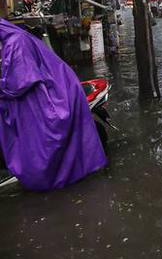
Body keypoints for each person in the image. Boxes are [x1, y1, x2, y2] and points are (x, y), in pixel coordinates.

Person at [0, 20, 107, 191]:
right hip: (52, 84)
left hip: (51, 91)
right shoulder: (13, 39)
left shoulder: (15, 42)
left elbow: (20, 81)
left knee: (39, 137)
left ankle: (51, 177)